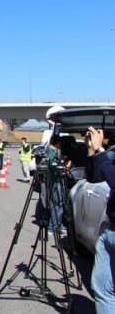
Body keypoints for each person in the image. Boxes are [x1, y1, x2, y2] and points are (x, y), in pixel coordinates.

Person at [87, 126, 115, 314]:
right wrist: (91, 151)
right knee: (103, 289)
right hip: (110, 229)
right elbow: (95, 177)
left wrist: (101, 150)